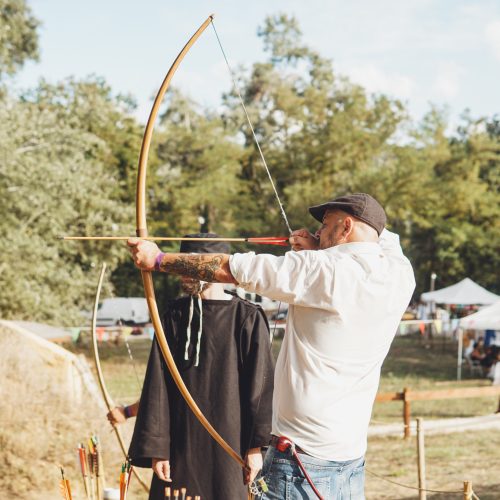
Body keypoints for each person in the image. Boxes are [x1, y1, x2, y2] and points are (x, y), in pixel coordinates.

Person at [127, 194, 416, 499]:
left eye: (326, 225)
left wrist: (158, 260)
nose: (317, 233)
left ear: (347, 226)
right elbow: (382, 236)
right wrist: (322, 245)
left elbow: (234, 269)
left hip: (300, 462)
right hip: (349, 456)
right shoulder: (399, 272)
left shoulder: (322, 270)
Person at [122, 234, 275, 500]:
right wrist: (159, 448)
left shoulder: (246, 317)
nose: (183, 276)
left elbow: (260, 389)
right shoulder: (173, 315)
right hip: (181, 442)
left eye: (188, 268)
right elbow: (157, 383)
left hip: (229, 440)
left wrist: (254, 449)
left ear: (210, 269)